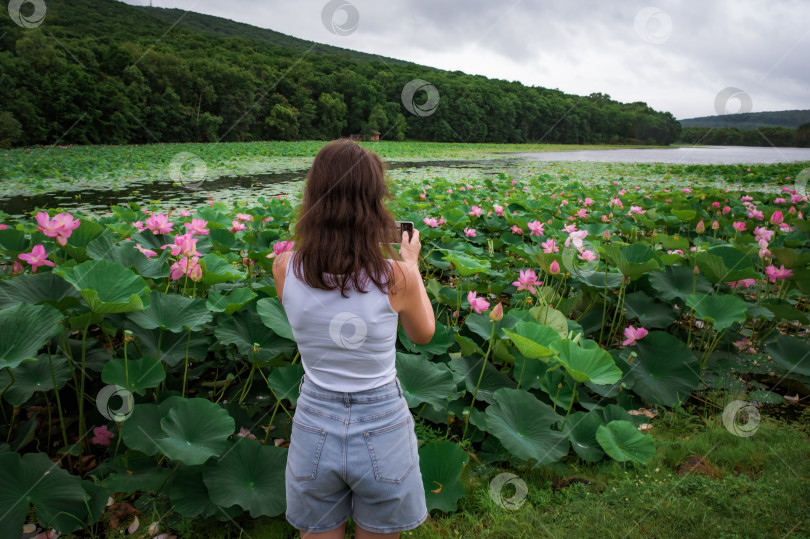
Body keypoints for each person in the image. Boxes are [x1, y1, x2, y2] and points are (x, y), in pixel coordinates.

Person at [272, 139, 435, 538]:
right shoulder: (395, 277)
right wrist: (410, 265)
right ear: (375, 204)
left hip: (314, 419)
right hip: (382, 423)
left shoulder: (283, 268)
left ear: (313, 198)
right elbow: (424, 334)